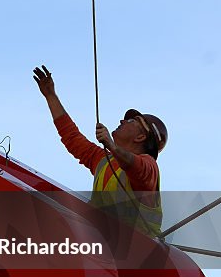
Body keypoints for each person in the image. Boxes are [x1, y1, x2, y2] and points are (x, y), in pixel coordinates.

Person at [32, 65, 167, 237]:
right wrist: (50, 96)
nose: (122, 121)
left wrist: (112, 146)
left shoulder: (149, 167)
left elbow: (137, 167)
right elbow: (72, 137)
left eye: (132, 121)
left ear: (141, 137)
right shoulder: (105, 161)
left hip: (138, 255)